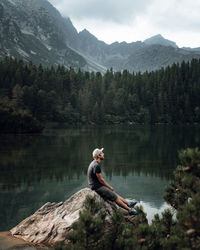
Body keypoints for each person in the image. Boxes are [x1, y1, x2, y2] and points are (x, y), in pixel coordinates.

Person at [87, 147, 137, 215]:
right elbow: (101, 179)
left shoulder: (94, 163)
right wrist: (109, 187)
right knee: (114, 197)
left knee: (113, 193)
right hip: (96, 187)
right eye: (102, 153)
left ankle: (128, 203)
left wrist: (109, 188)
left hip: (96, 185)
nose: (103, 154)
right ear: (99, 156)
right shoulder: (96, 165)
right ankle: (129, 210)